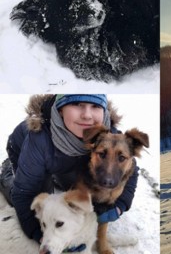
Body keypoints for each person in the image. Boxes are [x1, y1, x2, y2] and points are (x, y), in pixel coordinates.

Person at [0, 94, 138, 248]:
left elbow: (131, 170)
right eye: (77, 104)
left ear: (104, 111)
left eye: (96, 106)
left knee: (75, 191)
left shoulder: (108, 135)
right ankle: (7, 172)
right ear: (60, 111)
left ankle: (55, 173)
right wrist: (43, 236)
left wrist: (120, 205)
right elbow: (24, 193)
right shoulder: (39, 139)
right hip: (26, 151)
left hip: (67, 162)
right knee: (40, 202)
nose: (87, 115)